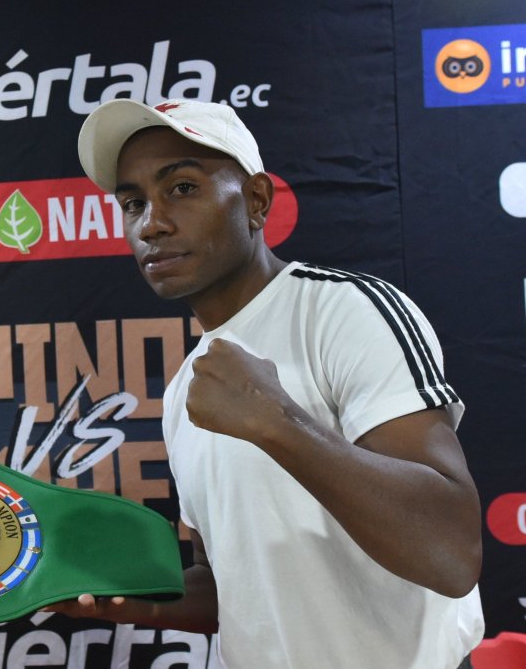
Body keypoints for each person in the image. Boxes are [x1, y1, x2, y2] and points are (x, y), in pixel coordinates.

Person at [46, 98, 484, 668]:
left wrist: (277, 422)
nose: (151, 222)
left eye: (181, 187)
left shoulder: (343, 312)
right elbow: (231, 584)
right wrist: (131, 603)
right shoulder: (186, 392)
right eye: (133, 203)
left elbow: (449, 554)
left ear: (255, 201)